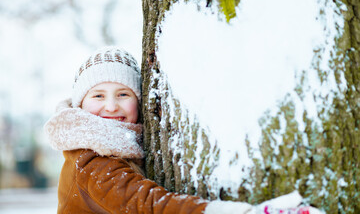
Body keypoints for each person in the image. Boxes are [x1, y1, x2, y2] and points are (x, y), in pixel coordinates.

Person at [44, 46, 323, 214]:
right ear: (80, 104)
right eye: (98, 96)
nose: (112, 106)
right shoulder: (90, 160)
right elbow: (146, 204)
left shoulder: (122, 146)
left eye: (123, 94)